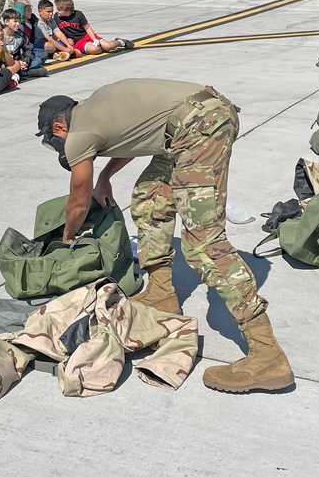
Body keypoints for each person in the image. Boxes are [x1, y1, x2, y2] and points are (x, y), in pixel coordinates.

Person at [35, 80, 294, 394]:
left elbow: (78, 199)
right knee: (150, 196)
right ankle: (162, 293)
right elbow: (134, 139)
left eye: (54, 139)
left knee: (203, 244)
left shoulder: (78, 134)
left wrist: (66, 238)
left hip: (200, 126)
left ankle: (268, 356)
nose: (60, 146)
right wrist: (106, 176)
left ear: (59, 125)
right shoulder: (96, 108)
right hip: (194, 120)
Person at [54, 0, 134, 55]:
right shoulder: (56, 17)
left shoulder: (78, 15)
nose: (58, 12)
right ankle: (100, 47)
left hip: (86, 36)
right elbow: (56, 31)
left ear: (67, 10)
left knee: (108, 46)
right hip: (77, 41)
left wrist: (94, 39)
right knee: (94, 50)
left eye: (60, 10)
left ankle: (121, 42)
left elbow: (87, 28)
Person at [3, 6, 46, 77]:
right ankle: (24, 72)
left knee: (37, 61)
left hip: (19, 61)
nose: (18, 24)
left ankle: (20, 70)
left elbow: (29, 49)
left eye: (19, 21)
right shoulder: (0, 35)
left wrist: (25, 61)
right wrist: (16, 62)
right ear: (6, 22)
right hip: (6, 62)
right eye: (15, 21)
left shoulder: (20, 34)